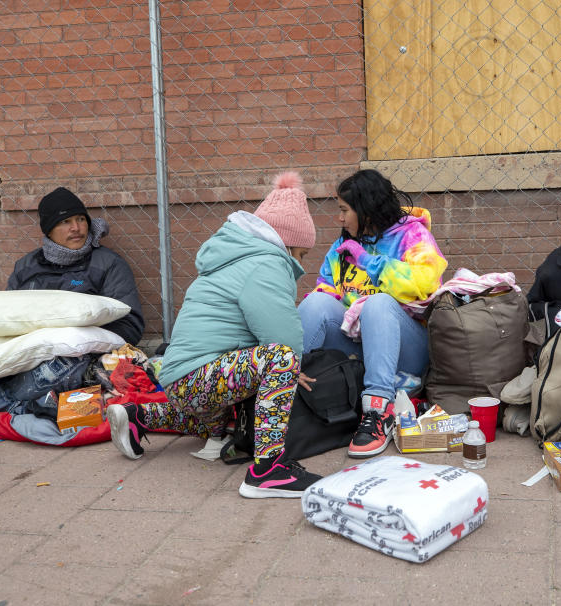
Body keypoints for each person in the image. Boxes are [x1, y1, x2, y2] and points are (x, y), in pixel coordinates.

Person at [107, 172, 324, 499]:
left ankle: (140, 416)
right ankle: (268, 471)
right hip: (201, 376)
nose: (303, 264)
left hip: (185, 379)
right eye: (303, 255)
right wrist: (293, 366)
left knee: (221, 418)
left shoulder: (235, 258)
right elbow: (280, 329)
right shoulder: (267, 263)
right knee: (281, 356)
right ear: (288, 244)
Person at [298, 169, 447, 458]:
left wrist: (369, 262)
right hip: (361, 349)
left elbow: (425, 281)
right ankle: (282, 392)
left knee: (377, 303)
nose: (339, 218)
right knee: (316, 303)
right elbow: (328, 289)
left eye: (344, 210)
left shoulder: (412, 234)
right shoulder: (343, 245)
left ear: (365, 208)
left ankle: (379, 412)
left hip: (407, 349)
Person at [0, 187, 145, 418]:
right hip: (23, 357)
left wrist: (73, 341)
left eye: (80, 219)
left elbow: (130, 326)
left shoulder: (108, 264)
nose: (76, 228)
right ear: (48, 230)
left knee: (56, 377)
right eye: (65, 222)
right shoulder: (26, 267)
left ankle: (12, 404)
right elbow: (6, 319)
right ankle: (22, 405)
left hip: (75, 362)